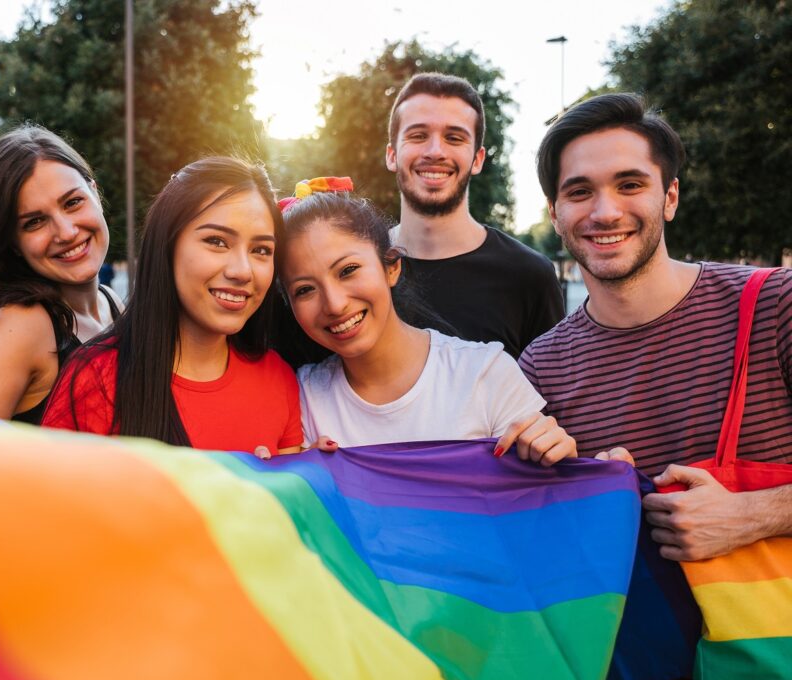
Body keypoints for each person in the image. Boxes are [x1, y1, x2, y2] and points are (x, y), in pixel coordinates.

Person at [520, 92, 792, 561]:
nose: (605, 212)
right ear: (555, 214)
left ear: (669, 197)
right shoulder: (542, 368)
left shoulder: (775, 305)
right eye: (580, 191)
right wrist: (600, 498)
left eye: (629, 184)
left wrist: (754, 514)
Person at [276, 179, 576, 464]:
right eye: (304, 290)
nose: (335, 303)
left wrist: (556, 457)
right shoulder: (299, 399)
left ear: (391, 267)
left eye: (348, 270)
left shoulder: (486, 374)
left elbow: (546, 499)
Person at [41, 157, 304, 456]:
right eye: (217, 241)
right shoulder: (95, 379)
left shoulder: (278, 379)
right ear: (168, 245)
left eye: (261, 250)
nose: (243, 271)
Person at [0, 125, 124, 423]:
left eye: (73, 202)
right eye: (35, 222)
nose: (66, 232)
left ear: (95, 193)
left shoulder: (111, 302)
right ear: (12, 243)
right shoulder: (16, 325)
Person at [385, 73, 564, 358]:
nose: (435, 151)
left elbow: (552, 396)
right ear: (392, 155)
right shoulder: (360, 266)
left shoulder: (528, 276)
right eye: (418, 136)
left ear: (477, 159)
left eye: (454, 138)